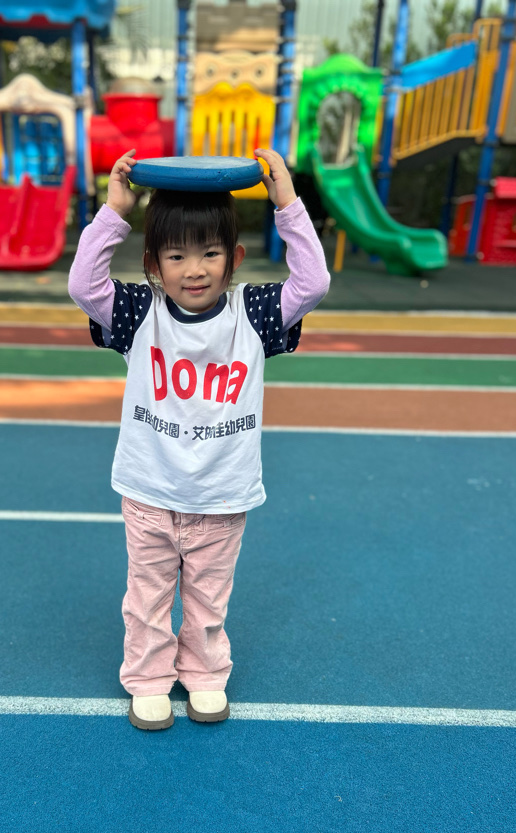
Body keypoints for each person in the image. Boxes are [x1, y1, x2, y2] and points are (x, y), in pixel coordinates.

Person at [68, 148, 330, 731]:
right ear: (153, 264)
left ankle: (205, 674)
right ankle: (148, 679)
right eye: (177, 255)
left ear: (234, 258)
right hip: (149, 493)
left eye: (210, 253)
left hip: (222, 496)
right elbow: (83, 286)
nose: (195, 269)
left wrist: (286, 203)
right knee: (147, 597)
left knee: (209, 600)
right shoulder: (139, 312)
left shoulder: (254, 313)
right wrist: (115, 211)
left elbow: (314, 283)